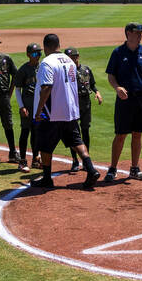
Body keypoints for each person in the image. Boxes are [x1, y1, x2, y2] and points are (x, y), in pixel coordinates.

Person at [30, 33, 100, 190]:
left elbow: (47, 87)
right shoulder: (69, 61)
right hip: (70, 111)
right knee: (76, 141)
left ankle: (47, 179)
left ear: (46, 47)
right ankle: (91, 169)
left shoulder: (46, 62)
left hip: (51, 112)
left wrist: (39, 109)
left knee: (45, 145)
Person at [105, 22, 142, 182]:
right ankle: (113, 168)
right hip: (125, 98)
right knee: (120, 134)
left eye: (141, 33)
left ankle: (134, 169)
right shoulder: (118, 52)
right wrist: (117, 88)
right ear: (128, 33)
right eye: (137, 32)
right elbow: (111, 75)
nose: (140, 35)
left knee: (137, 134)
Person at [65, 47, 104, 172]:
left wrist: (97, 93)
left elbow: (92, 84)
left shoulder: (86, 69)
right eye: (71, 57)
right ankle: (75, 161)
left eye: (75, 56)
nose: (74, 58)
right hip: (73, 103)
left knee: (85, 130)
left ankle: (86, 161)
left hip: (86, 102)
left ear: (78, 56)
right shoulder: (66, 71)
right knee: (73, 133)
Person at [13, 43, 43, 169]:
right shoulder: (23, 70)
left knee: (36, 133)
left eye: (39, 53)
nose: (38, 56)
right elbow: (17, 89)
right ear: (28, 55)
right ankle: (23, 161)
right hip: (28, 105)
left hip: (39, 106)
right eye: (35, 53)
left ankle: (36, 159)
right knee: (25, 132)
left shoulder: (43, 67)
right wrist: (21, 106)